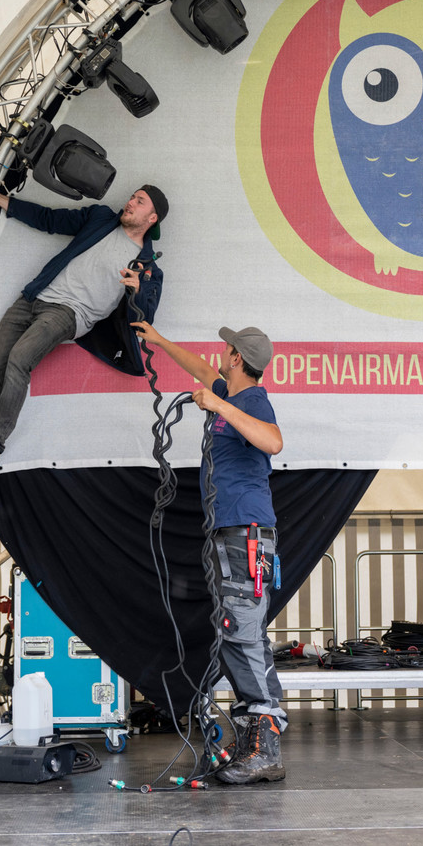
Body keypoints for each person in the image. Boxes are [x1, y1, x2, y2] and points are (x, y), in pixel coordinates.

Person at [129, 321, 286, 785]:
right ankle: (254, 742)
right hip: (229, 533)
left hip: (246, 533)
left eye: (226, 349)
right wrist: (158, 342)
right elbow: (199, 368)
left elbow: (273, 442)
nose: (219, 354)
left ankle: (266, 747)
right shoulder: (229, 391)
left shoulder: (250, 401)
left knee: (243, 632)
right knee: (239, 631)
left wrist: (218, 404)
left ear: (237, 357)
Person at [0, 184, 168, 467]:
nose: (130, 202)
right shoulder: (101, 218)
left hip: (71, 313)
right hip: (34, 296)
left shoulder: (147, 266)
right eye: (132, 197)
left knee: (19, 359)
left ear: (152, 218)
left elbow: (145, 317)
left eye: (139, 202)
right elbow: (50, 219)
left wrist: (139, 289)